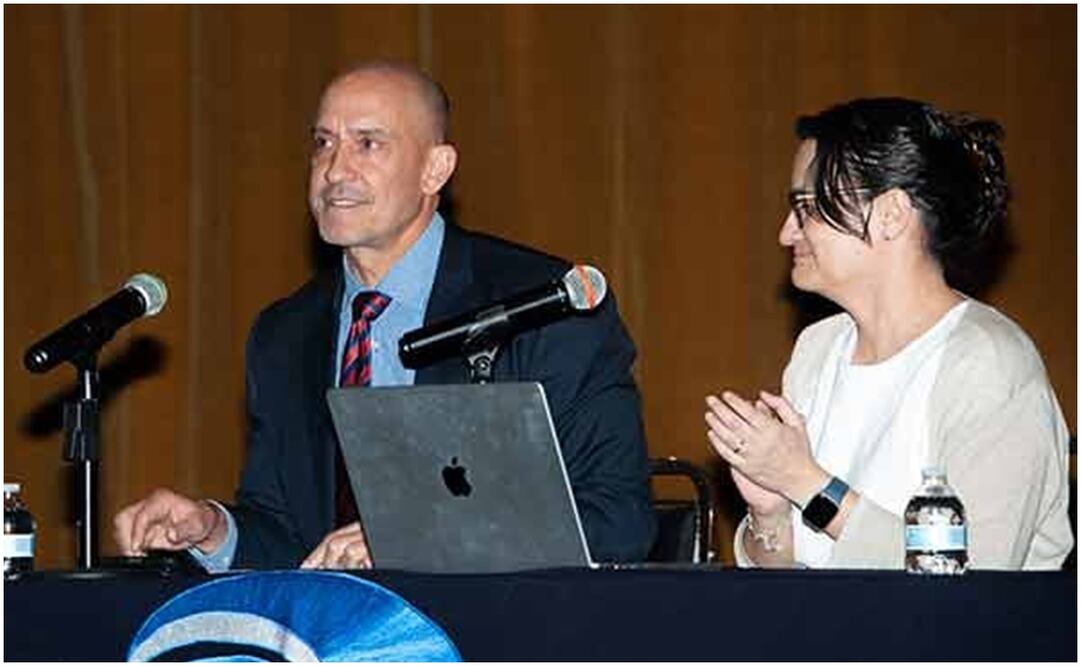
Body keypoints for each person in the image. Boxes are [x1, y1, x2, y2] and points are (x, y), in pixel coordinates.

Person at [114, 60, 655, 570]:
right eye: (323, 143)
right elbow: (291, 537)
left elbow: (617, 522)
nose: (334, 170)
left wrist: (414, 540)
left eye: (367, 144)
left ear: (434, 169)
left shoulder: (545, 306)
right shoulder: (284, 334)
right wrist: (214, 529)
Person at [705, 97, 1073, 570]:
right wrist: (770, 512)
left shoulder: (989, 364)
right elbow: (791, 581)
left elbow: (974, 580)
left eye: (805, 208)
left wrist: (804, 481)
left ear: (892, 214)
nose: (785, 233)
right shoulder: (818, 350)